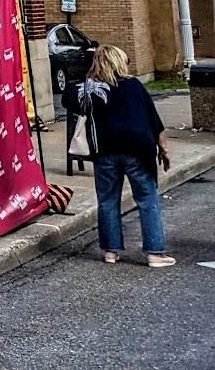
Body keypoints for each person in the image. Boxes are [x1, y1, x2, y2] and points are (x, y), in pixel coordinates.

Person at [74, 45, 174, 267]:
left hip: (105, 151)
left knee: (108, 200)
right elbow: (154, 120)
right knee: (147, 199)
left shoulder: (91, 89)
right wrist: (164, 151)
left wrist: (89, 79)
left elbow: (68, 101)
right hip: (138, 149)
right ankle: (155, 253)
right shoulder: (134, 86)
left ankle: (110, 251)